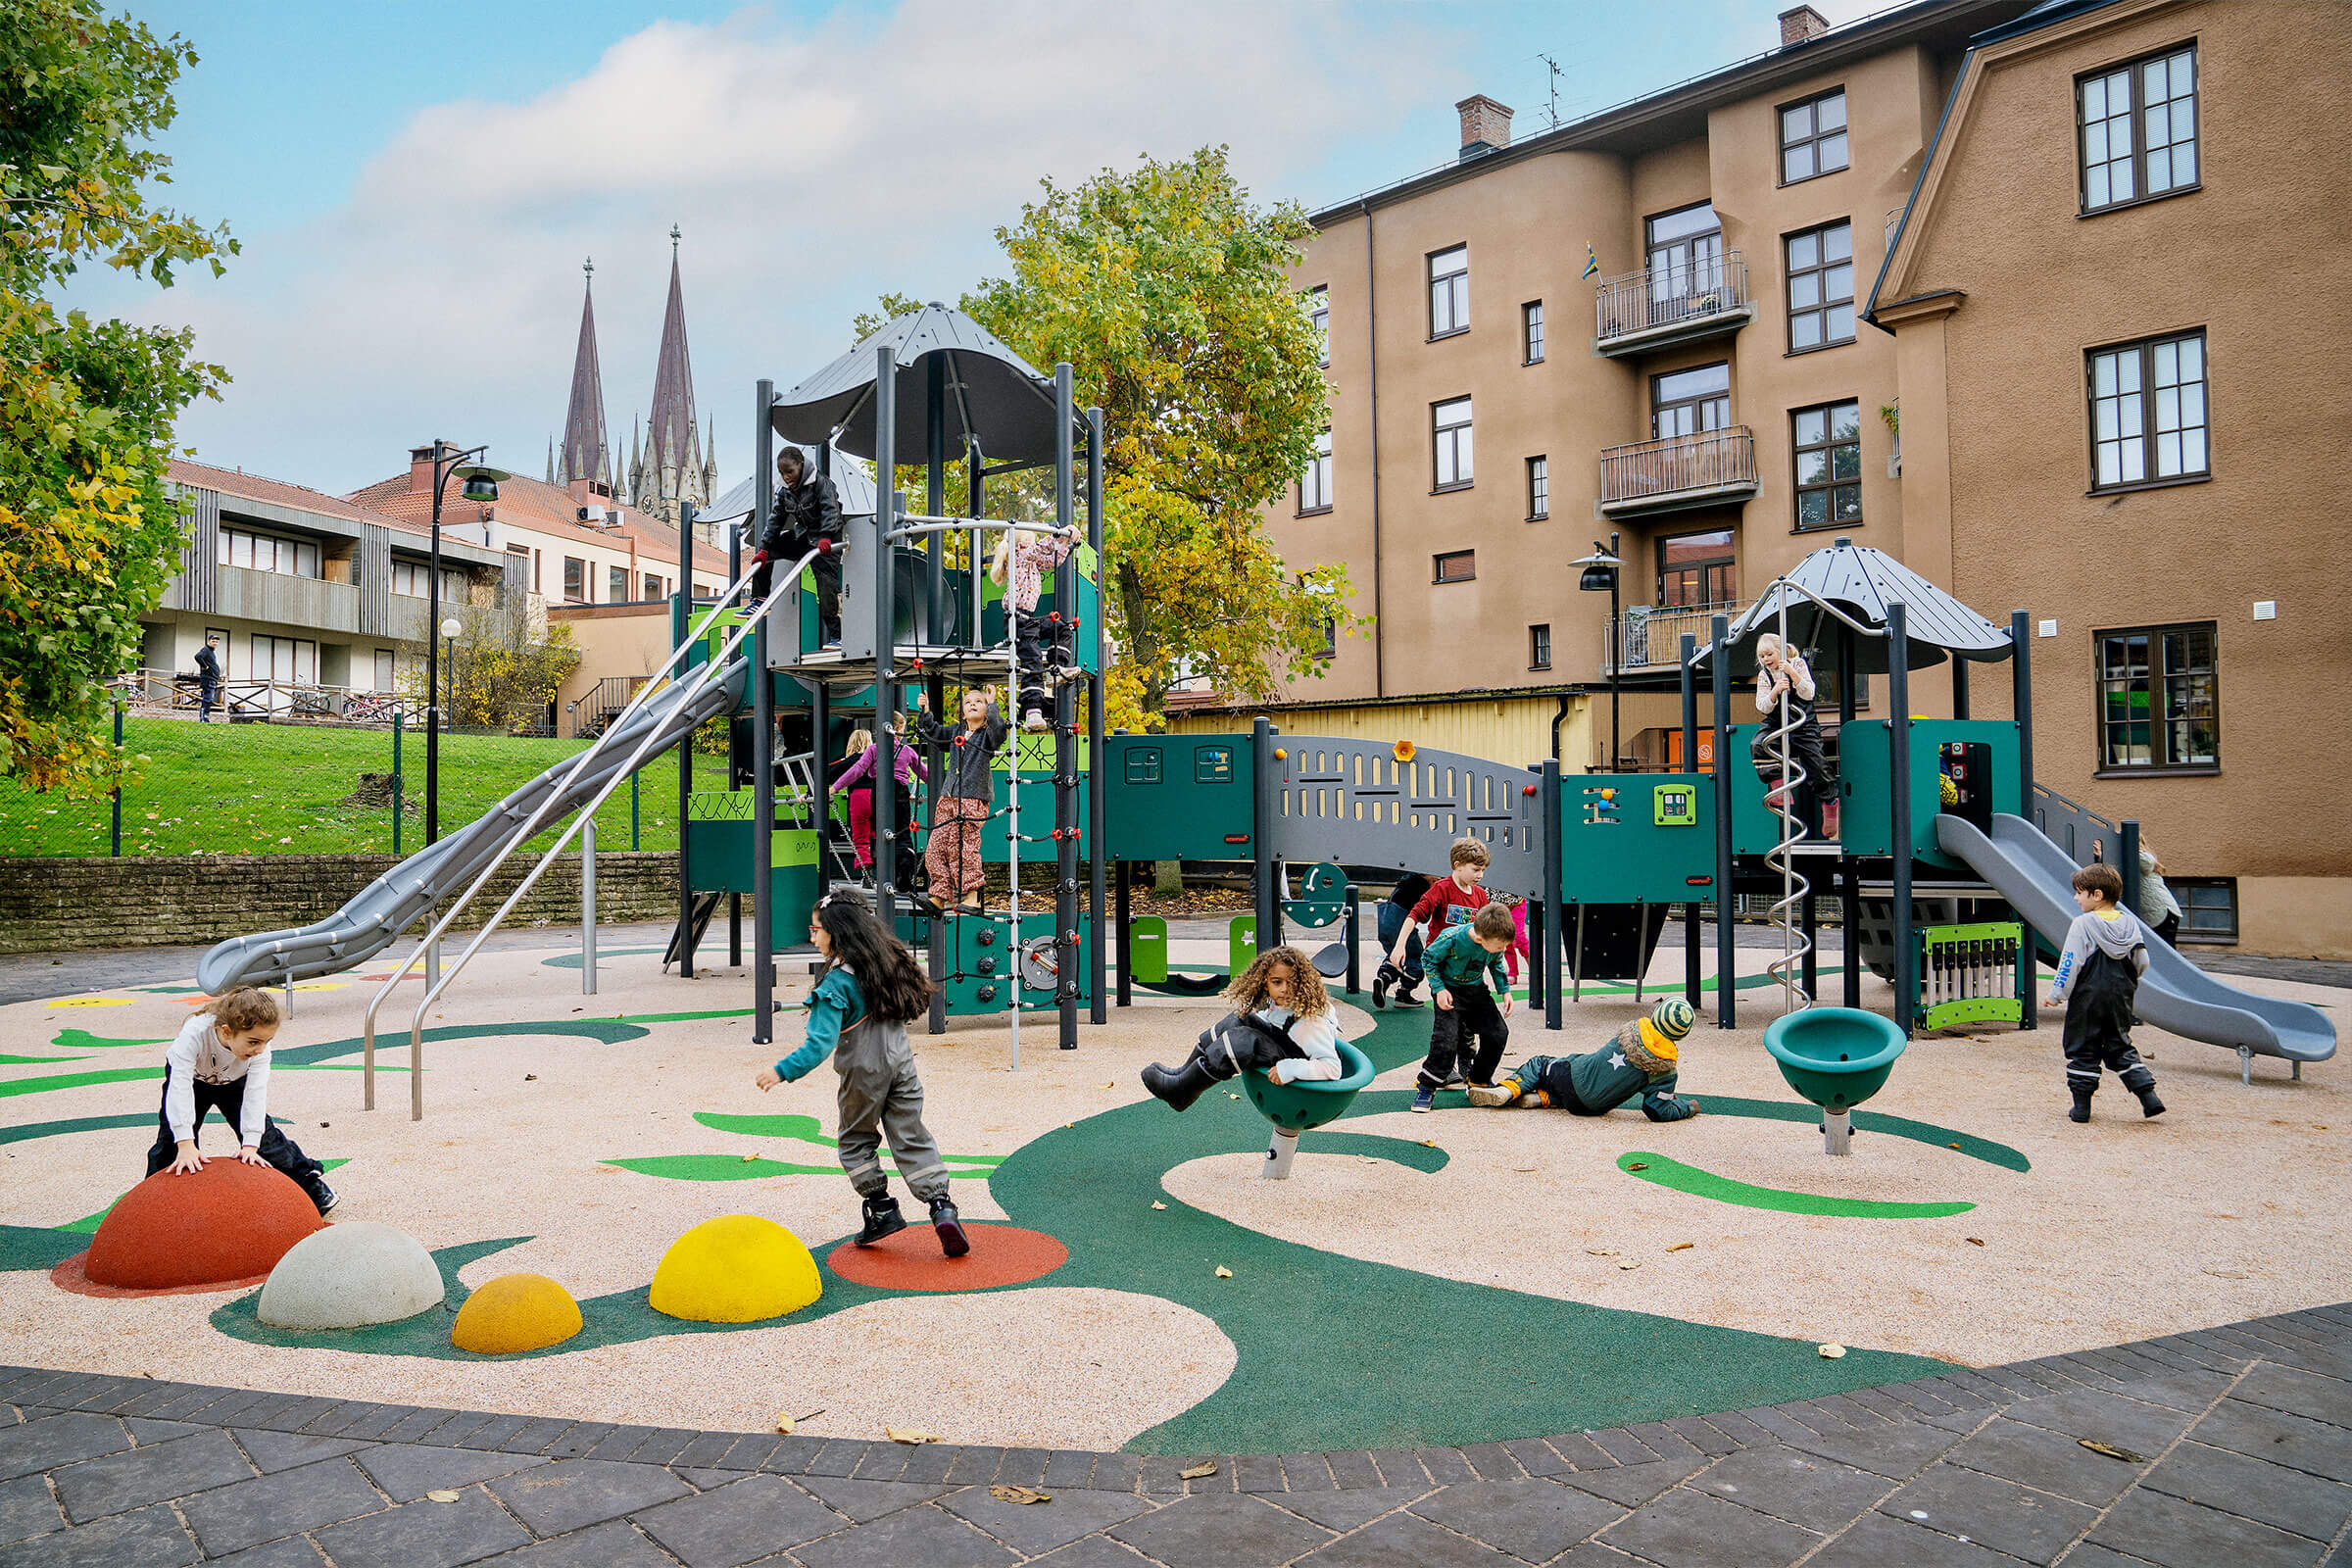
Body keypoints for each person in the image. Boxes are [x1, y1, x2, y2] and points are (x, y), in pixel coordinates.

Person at [756, 891, 966, 1255]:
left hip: (863, 1072)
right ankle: (941, 1207)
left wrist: (781, 1071)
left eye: (816, 929)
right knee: (911, 1135)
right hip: (902, 1066)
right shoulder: (886, 965)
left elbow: (819, 1045)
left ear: (837, 933)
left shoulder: (836, 983)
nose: (812, 937)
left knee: (855, 1140)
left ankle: (882, 1208)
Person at [147, 987, 336, 1214]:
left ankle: (311, 1187)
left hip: (236, 1081)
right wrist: (186, 1143)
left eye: (267, 1041)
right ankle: (151, 1201)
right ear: (226, 1032)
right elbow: (179, 1088)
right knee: (170, 1143)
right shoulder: (194, 1034)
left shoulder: (260, 1051)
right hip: (193, 1081)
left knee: (267, 1142)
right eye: (254, 1042)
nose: (261, 1049)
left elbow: (255, 1094)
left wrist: (250, 1145)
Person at [1139, 946, 1347, 1111]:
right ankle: (1183, 1074)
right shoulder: (1282, 1004)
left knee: (1243, 1040)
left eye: (1292, 982)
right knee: (1238, 1020)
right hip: (1287, 1047)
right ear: (1265, 983)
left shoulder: (1309, 1024)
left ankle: (1184, 1090)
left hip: (1299, 1068)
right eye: (1277, 982)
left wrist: (1290, 1069)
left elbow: (1332, 1067)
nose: (1284, 988)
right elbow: (1273, 1022)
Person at [2046, 863, 2163, 1123]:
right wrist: (2130, 981)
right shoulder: (2130, 922)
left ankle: (2081, 1108)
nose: (2075, 898)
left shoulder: (2082, 924)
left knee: (2082, 1046)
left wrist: (2057, 993)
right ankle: (2148, 1096)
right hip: (2120, 995)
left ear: (2097, 895)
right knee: (2120, 1044)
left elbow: (2070, 962)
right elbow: (2142, 960)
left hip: (2088, 997)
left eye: (2080, 893)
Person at [1468, 998, 1698, 1120]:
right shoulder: (1666, 1071)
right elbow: (1657, 1110)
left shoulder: (1631, 1031)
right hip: (1592, 1108)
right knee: (1577, 1090)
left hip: (1572, 1075)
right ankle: (1543, 1099)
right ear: (1683, 1035)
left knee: (1540, 1064)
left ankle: (1507, 1089)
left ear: (1655, 1014)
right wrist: (1686, 1108)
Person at [1410, 902, 1516, 1113]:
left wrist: (1505, 990)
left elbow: (1496, 963)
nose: (1502, 950)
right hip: (1449, 991)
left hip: (1475, 989)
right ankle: (1427, 1086)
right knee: (1447, 1039)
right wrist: (1439, 989)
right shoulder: (1452, 938)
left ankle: (1479, 1080)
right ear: (1479, 938)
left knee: (1498, 1033)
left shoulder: (1493, 943)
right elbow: (1428, 959)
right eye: (1499, 946)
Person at [912, 687, 1007, 911]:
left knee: (962, 847)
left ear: (985, 711)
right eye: (968, 702)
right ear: (963, 713)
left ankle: (973, 895)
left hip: (972, 799)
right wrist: (925, 711)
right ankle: (938, 896)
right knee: (935, 848)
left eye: (979, 702)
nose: (972, 704)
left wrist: (993, 704)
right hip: (947, 798)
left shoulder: (987, 736)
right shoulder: (957, 732)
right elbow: (933, 733)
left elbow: (999, 732)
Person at [989, 524, 1078, 732]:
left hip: (1028, 619)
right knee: (1033, 660)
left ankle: (1057, 670)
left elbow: (1052, 561)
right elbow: (1039, 549)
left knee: (1062, 627)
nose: (1033, 544)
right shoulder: (1018, 556)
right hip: (1016, 618)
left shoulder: (1030, 561)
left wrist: (1065, 544)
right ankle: (1032, 711)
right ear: (1022, 543)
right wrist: (1060, 533)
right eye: (1031, 539)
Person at [751, 447, 843, 645]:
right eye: (782, 473)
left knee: (826, 586)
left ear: (800, 465)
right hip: (805, 538)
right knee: (767, 553)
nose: (786, 477)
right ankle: (760, 599)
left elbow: (831, 510)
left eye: (790, 471)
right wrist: (765, 548)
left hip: (826, 543)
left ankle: (837, 635)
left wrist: (827, 535)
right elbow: (775, 519)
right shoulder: (785, 492)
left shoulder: (820, 483)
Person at [1753, 632, 1830, 838]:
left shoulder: (1797, 664)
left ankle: (1830, 802)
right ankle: (1779, 787)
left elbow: (1809, 693)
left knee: (1817, 762)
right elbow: (1762, 706)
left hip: (1803, 721)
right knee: (1759, 744)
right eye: (1762, 656)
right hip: (1778, 720)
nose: (1765, 660)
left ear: (1781, 651)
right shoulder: (1764, 675)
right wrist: (1775, 690)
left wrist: (1792, 674)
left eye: (1769, 654)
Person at [829, 724, 927, 884]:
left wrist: (829, 790)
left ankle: (867, 874)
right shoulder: (893, 752)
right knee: (886, 833)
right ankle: (894, 870)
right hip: (881, 796)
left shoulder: (856, 759)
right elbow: (922, 773)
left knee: (861, 838)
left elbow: (831, 775)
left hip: (860, 798)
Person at [1371, 871, 1433, 1009]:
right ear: (1425, 875)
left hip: (1385, 923)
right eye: (1434, 877)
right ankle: (1403, 993)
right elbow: (1424, 916)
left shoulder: (1404, 882)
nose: (1437, 879)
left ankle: (1384, 978)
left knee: (1396, 955)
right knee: (1415, 958)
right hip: (1400, 924)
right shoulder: (1422, 886)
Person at [2136, 841, 2182, 948]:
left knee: (2166, 951)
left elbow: (2147, 862)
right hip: (2163, 911)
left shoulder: (2141, 858)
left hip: (2162, 912)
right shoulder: (2140, 858)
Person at [194, 633, 222, 722]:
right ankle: (203, 718)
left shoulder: (211, 652)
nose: (215, 643)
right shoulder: (206, 649)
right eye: (213, 641)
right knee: (207, 698)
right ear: (208, 641)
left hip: (212, 678)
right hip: (208, 678)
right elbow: (197, 656)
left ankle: (205, 717)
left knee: (209, 699)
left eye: (216, 642)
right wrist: (205, 667)